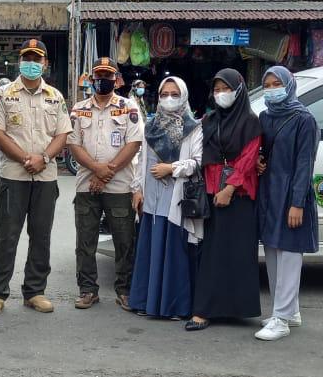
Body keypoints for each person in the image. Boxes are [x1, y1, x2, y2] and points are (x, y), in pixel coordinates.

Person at [0, 38, 73, 315]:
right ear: (20, 61)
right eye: (28, 58)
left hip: (45, 177)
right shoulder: (3, 94)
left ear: (45, 63)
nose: (32, 64)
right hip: (14, 176)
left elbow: (62, 134)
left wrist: (44, 158)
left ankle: (35, 291)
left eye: (37, 59)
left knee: (41, 235)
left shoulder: (55, 97)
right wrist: (25, 158)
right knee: (7, 236)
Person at [68, 57, 144, 309]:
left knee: (124, 240)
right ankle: (88, 290)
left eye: (108, 76)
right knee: (85, 241)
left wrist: (105, 174)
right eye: (98, 75)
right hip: (86, 186)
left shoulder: (128, 107)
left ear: (117, 80)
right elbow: (73, 145)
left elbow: (134, 144)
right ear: (91, 79)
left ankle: (125, 290)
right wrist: (97, 171)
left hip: (120, 186)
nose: (103, 80)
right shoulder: (78, 109)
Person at [188, 68, 261, 330]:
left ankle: (236, 309)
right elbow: (199, 152)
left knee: (239, 253)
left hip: (238, 195)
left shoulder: (251, 121)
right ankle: (204, 310)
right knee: (211, 253)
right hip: (211, 192)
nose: (221, 94)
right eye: (217, 90)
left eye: (226, 89)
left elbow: (249, 158)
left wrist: (230, 188)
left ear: (239, 90)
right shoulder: (209, 120)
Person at [128, 76, 203, 319]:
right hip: (151, 199)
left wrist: (172, 168)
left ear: (183, 95)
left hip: (176, 200)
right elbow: (140, 162)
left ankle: (173, 306)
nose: (169, 98)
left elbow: (199, 163)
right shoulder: (151, 126)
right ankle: (144, 302)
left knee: (173, 253)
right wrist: (136, 189)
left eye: (174, 94)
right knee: (150, 249)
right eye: (164, 94)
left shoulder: (194, 127)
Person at [254, 65, 318, 343]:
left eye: (276, 84)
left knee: (290, 253)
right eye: (266, 84)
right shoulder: (265, 117)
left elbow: (305, 163)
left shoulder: (304, 119)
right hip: (269, 191)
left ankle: (281, 319)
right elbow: (262, 151)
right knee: (272, 250)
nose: (270, 89)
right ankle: (288, 311)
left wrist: (297, 203)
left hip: (292, 193)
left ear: (289, 85)